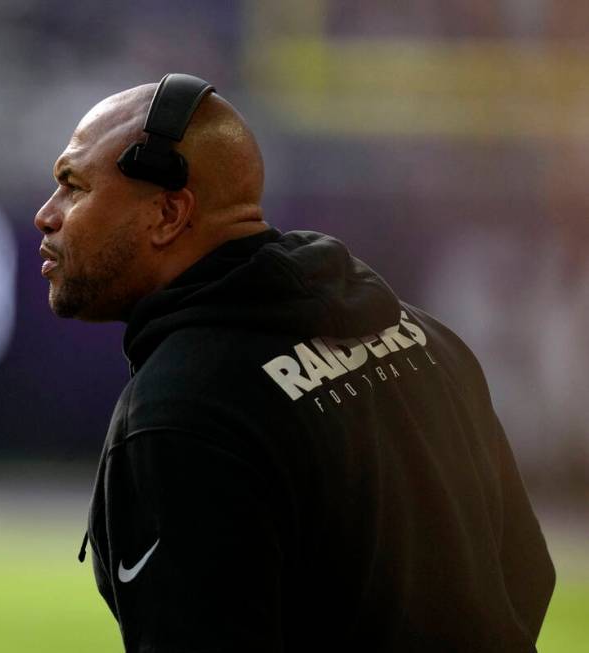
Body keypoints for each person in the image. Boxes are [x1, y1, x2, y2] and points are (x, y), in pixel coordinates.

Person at [34, 76, 555, 652]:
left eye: (73, 187)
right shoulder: (421, 334)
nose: (46, 215)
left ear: (168, 214)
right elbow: (526, 576)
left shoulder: (179, 413)